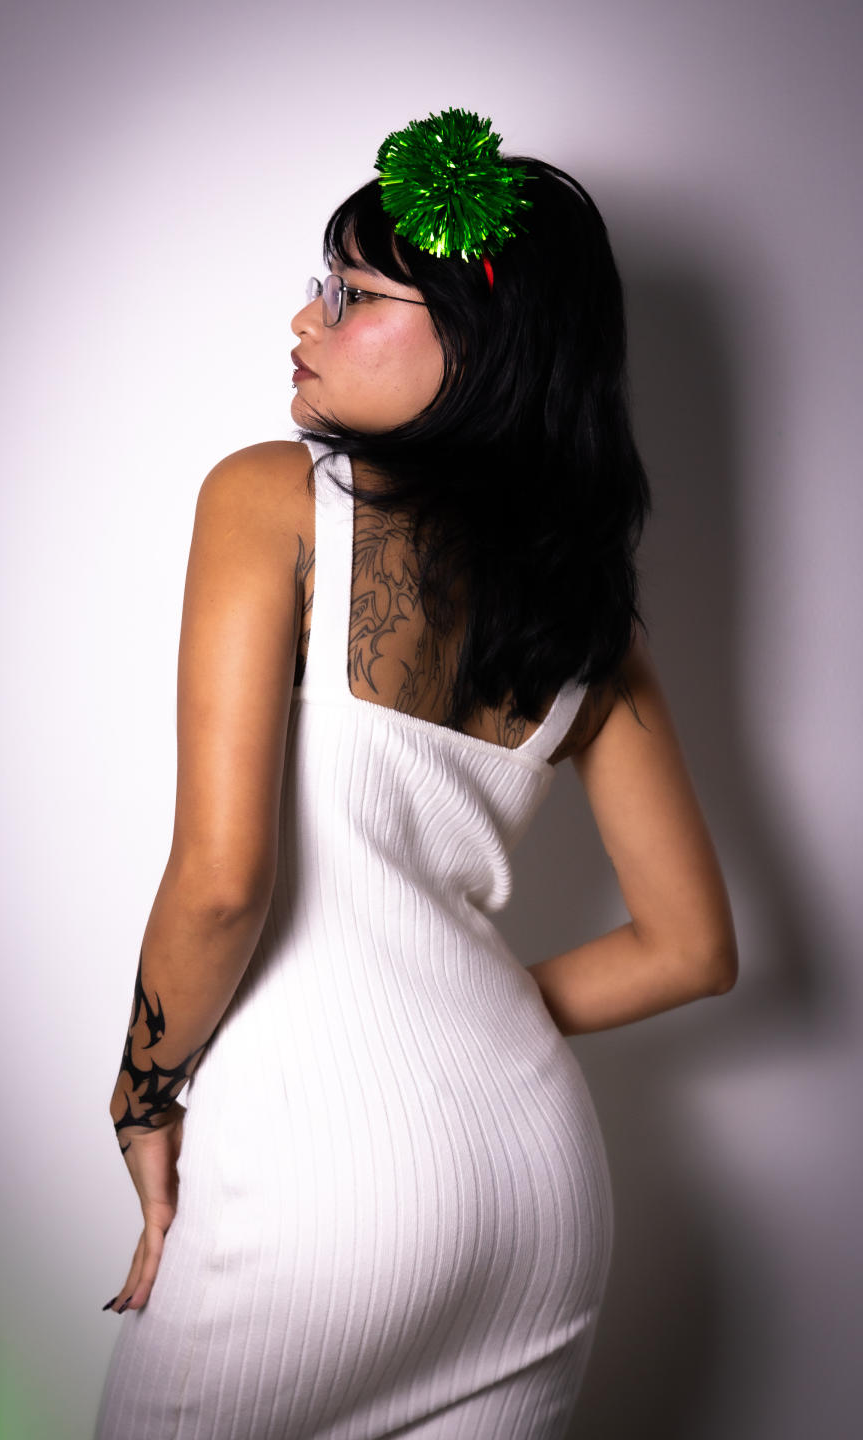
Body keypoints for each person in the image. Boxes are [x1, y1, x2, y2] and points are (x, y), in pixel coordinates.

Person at [94, 109, 737, 1440]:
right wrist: (457, 1023)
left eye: (349, 294)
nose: (303, 320)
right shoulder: (587, 620)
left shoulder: (271, 496)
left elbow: (222, 884)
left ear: (477, 343)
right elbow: (690, 949)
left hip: (319, 1187)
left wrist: (140, 1099)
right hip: (540, 1199)